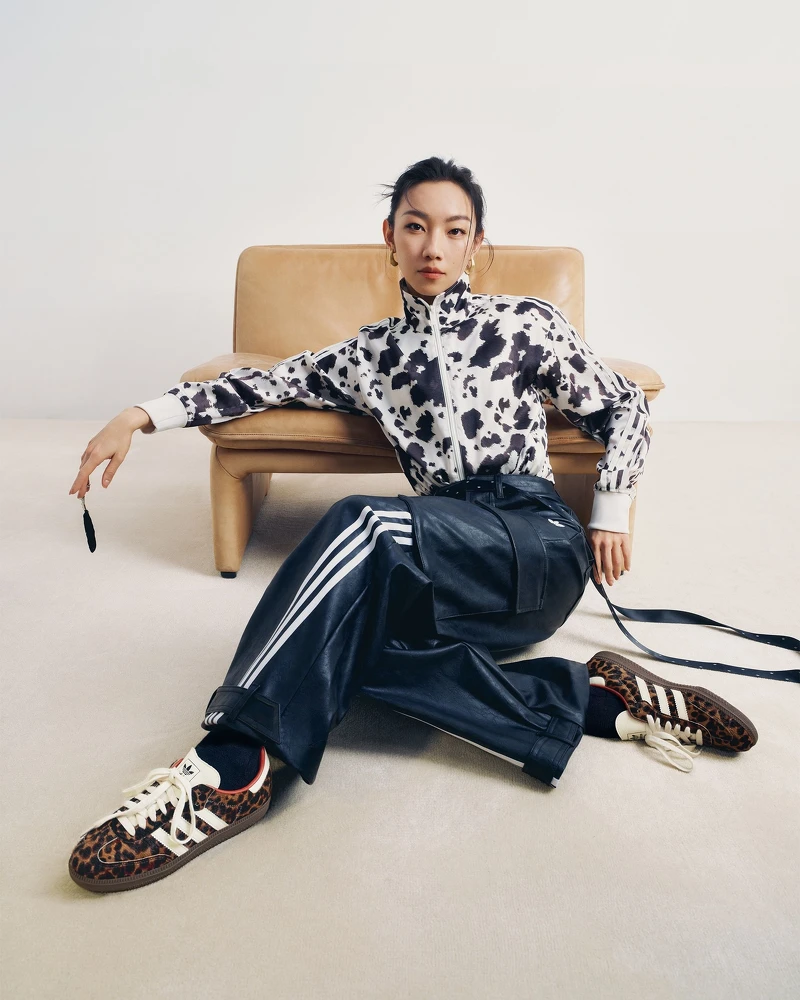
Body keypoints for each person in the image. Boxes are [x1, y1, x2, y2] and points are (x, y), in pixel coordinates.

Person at [66, 156, 757, 894]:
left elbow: (623, 404)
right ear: (389, 237)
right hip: (445, 561)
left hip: (535, 539)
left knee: (361, 524)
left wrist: (611, 510)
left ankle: (234, 764)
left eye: (454, 231)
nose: (433, 247)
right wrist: (139, 414)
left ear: (476, 243)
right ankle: (590, 697)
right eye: (416, 227)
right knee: (337, 642)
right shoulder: (372, 354)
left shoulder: (524, 324)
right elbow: (261, 383)